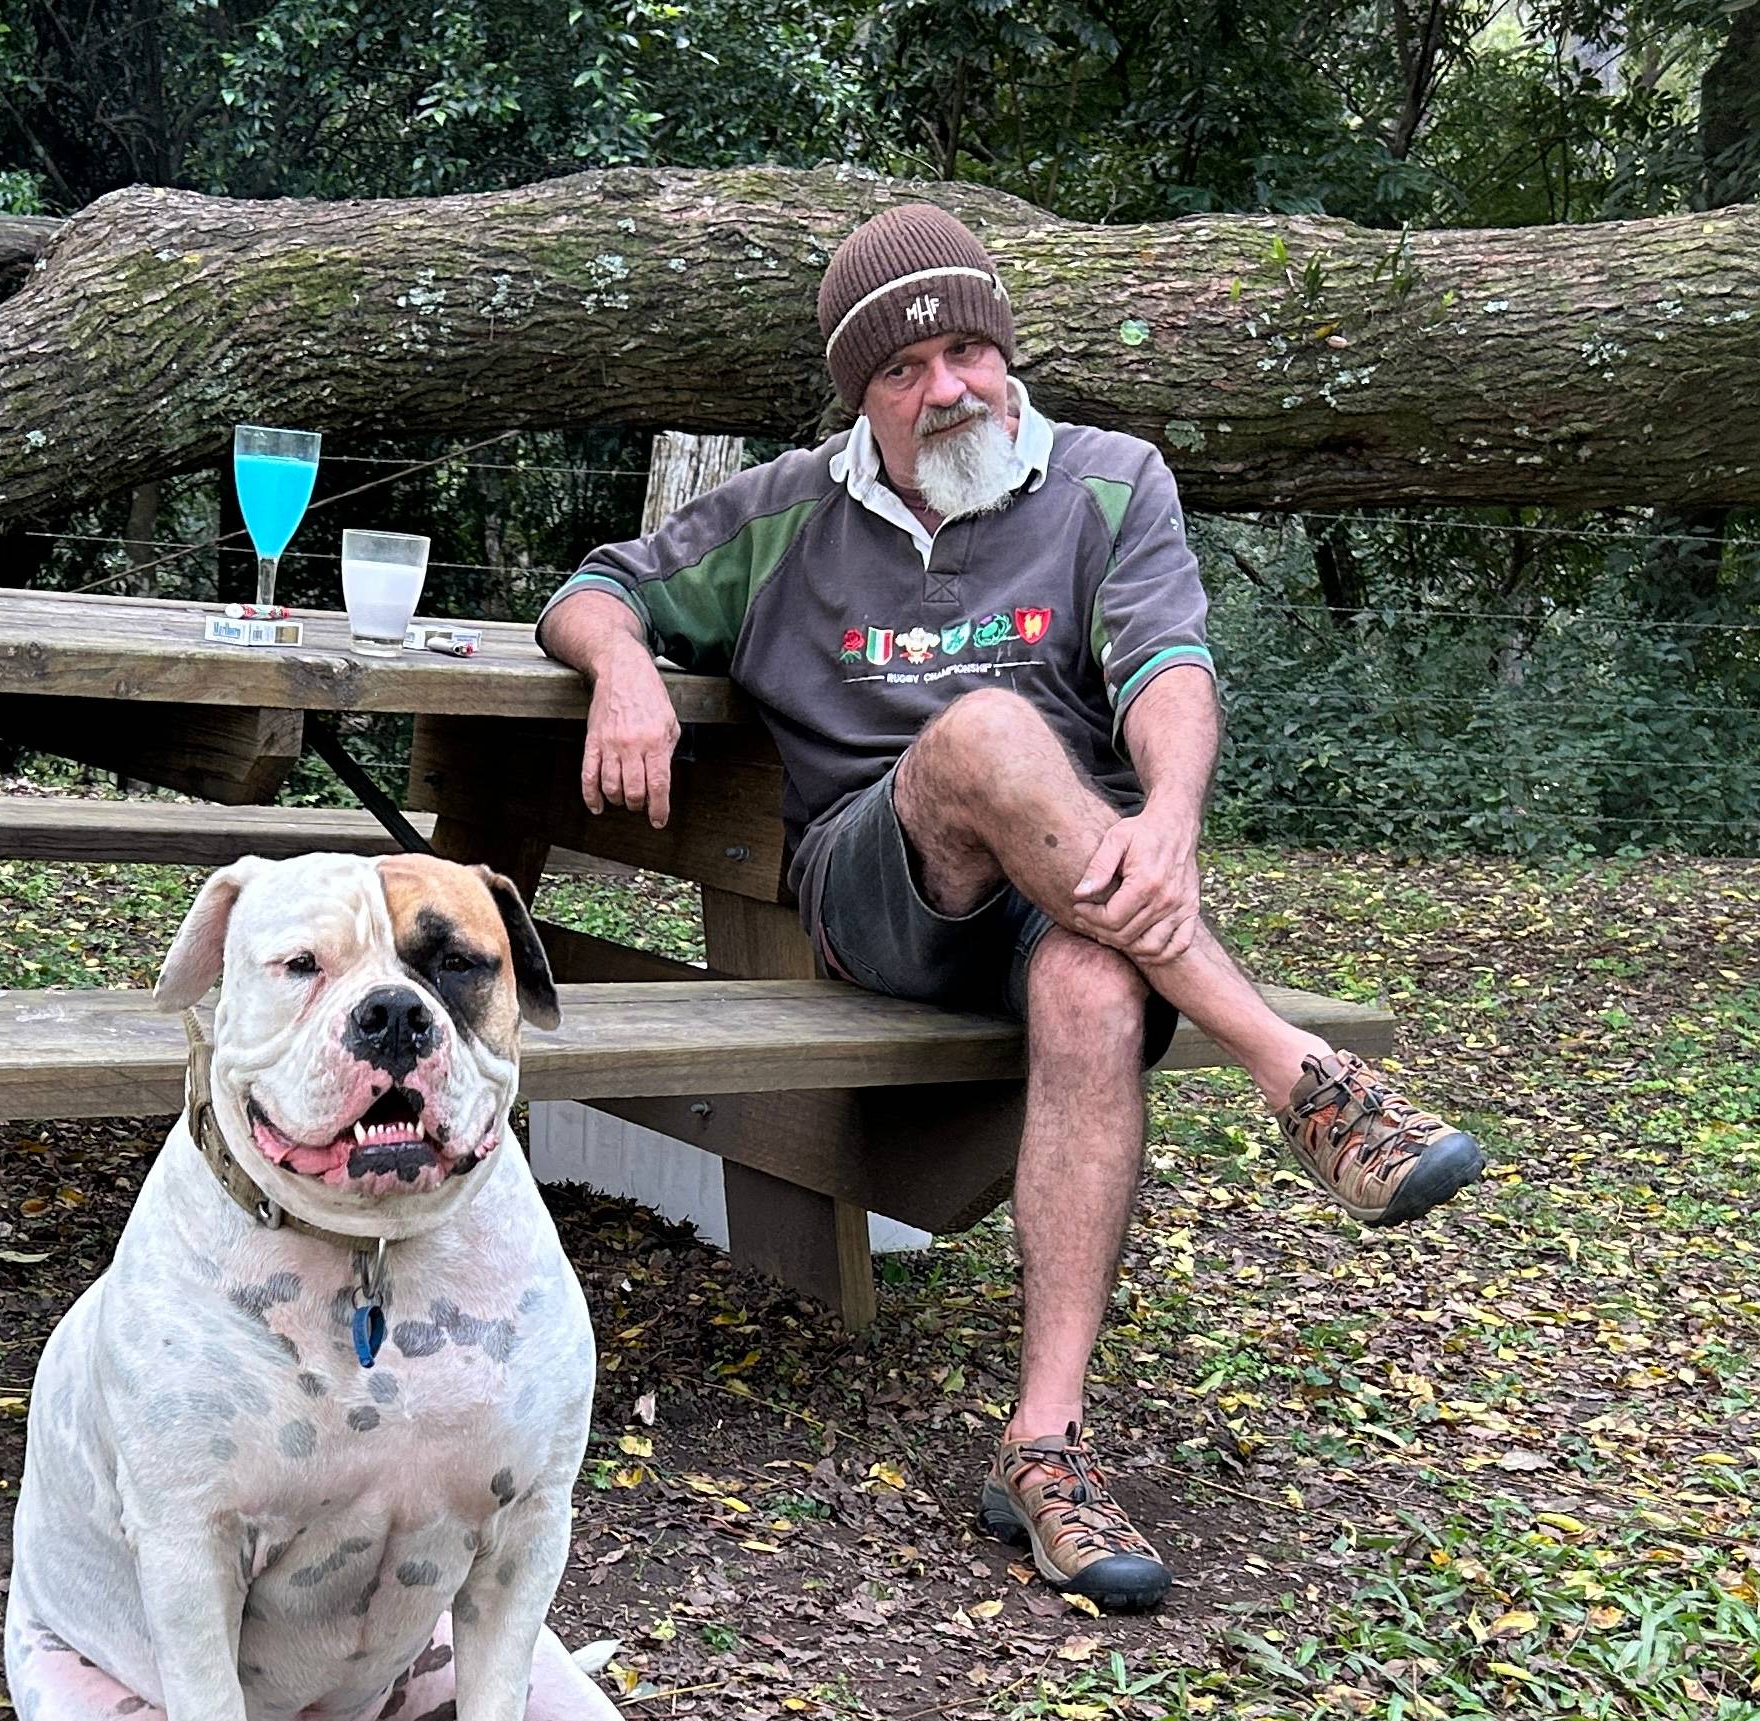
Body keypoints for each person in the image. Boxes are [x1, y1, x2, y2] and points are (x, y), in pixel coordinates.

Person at [535, 203, 1481, 1615]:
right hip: (877, 888)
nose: (949, 387)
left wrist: (1166, 823)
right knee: (980, 734)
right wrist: (619, 669)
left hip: (1076, 887)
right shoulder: (788, 511)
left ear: (1005, 351)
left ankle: (1043, 1447)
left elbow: (1166, 663)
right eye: (904, 370)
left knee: (1095, 986)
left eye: (969, 348)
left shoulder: (1108, 481)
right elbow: (594, 587)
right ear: (862, 394)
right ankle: (1298, 1074)